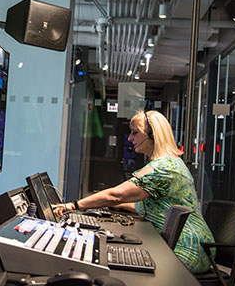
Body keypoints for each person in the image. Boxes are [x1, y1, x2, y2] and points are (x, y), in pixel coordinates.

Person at [53, 110, 215, 274]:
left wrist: (73, 205)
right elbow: (147, 205)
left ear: (153, 135)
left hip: (188, 249)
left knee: (113, 262)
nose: (130, 138)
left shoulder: (164, 168)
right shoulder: (170, 162)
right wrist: (103, 206)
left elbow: (116, 195)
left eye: (135, 132)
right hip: (188, 245)